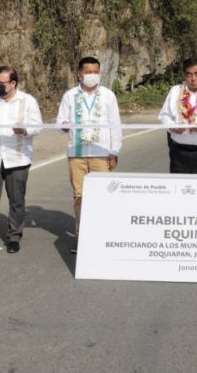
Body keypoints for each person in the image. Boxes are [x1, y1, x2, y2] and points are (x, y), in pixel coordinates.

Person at [0, 66, 42, 258]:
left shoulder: (27, 101)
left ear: (13, 84)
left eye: (1, 83)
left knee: (17, 200)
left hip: (17, 158)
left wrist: (25, 130)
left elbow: (38, 126)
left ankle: (14, 237)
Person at [57, 57, 122, 252]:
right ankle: (82, 237)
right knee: (79, 195)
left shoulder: (108, 95)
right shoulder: (70, 96)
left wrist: (114, 151)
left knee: (101, 195)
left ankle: (102, 236)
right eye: (88, 72)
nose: (92, 75)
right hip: (76, 153)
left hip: (101, 152)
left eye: (95, 72)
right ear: (80, 74)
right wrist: (65, 126)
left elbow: (115, 124)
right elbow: (60, 123)